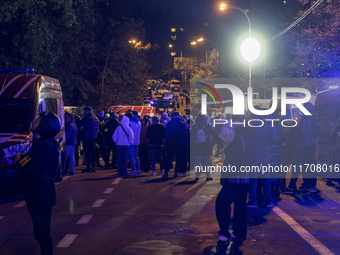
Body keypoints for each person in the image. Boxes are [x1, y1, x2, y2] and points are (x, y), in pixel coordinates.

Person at [16, 112, 61, 255]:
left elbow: (28, 167)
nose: (34, 121)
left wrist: (19, 161)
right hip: (40, 194)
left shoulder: (42, 149)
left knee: (42, 232)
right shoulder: (46, 145)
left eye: (38, 120)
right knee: (40, 231)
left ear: (44, 126)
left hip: (40, 195)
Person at [215, 122, 250, 253]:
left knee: (222, 202)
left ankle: (224, 233)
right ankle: (239, 232)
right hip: (245, 176)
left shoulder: (237, 137)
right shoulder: (246, 135)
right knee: (240, 204)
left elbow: (236, 156)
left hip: (236, 177)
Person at [163, 112, 189, 178]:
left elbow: (166, 134)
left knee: (169, 158)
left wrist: (168, 141)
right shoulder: (184, 123)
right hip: (180, 143)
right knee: (179, 158)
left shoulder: (170, 123)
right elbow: (186, 134)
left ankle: (166, 172)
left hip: (171, 143)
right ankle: (176, 172)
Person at [191, 114, 215, 182]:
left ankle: (197, 176)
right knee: (206, 162)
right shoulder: (207, 125)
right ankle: (208, 176)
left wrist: (196, 139)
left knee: (197, 162)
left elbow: (192, 135)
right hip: (206, 145)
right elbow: (213, 133)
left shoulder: (194, 126)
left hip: (197, 146)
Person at [79, 107, 99, 172]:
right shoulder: (96, 118)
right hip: (94, 138)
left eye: (85, 111)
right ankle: (93, 167)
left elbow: (80, 124)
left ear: (87, 111)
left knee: (87, 153)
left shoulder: (86, 118)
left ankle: (88, 167)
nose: (84, 113)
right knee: (93, 152)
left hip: (87, 138)